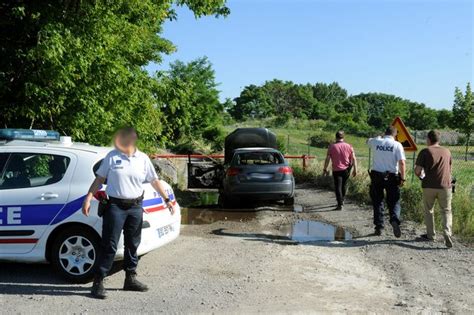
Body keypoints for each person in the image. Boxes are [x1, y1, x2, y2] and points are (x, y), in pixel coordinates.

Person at [82, 127, 175, 299]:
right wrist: (88, 198)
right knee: (109, 244)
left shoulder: (143, 159)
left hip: (135, 207)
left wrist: (167, 199)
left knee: (133, 244)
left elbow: (154, 181)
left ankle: (130, 279)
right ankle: (98, 282)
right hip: (115, 207)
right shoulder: (112, 157)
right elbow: (99, 179)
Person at [414, 130, 453, 248]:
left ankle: (431, 235)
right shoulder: (447, 151)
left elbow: (417, 170)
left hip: (428, 186)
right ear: (438, 139)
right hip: (445, 185)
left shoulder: (425, 151)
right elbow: (450, 169)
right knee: (446, 210)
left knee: (429, 210)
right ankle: (447, 232)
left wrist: (420, 176)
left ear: (428, 139)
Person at [367, 126, 406, 237]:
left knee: (378, 201)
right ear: (395, 135)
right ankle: (394, 219)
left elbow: (367, 141)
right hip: (392, 176)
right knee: (394, 201)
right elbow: (402, 163)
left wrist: (378, 136)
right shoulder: (397, 145)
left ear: (385, 133)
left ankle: (379, 227)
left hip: (376, 176)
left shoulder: (376, 141)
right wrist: (402, 178)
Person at [323, 131, 357, 210]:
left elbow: (327, 158)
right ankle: (342, 200)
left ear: (336, 137)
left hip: (336, 169)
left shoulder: (332, 146)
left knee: (338, 186)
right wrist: (355, 169)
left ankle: (340, 204)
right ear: (343, 137)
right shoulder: (349, 146)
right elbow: (354, 158)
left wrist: (325, 168)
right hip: (346, 169)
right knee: (343, 185)